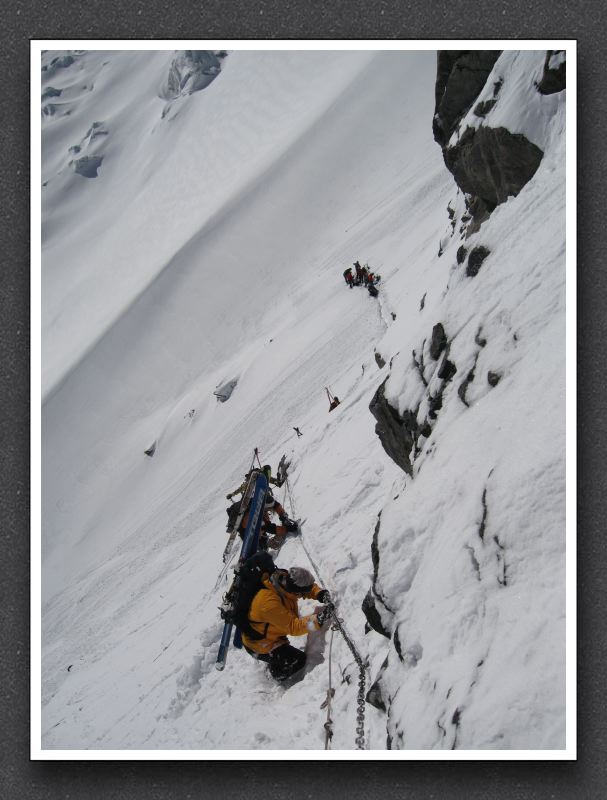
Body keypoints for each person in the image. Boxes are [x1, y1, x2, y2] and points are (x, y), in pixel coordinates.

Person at [241, 565, 333, 681]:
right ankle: (275, 673)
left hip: (272, 633)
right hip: (260, 644)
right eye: (302, 594)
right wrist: (318, 619)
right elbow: (294, 627)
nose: (303, 596)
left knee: (288, 651)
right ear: (296, 592)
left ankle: (278, 653)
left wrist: (319, 593)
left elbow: (306, 588)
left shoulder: (284, 580)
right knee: (298, 660)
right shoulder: (269, 603)